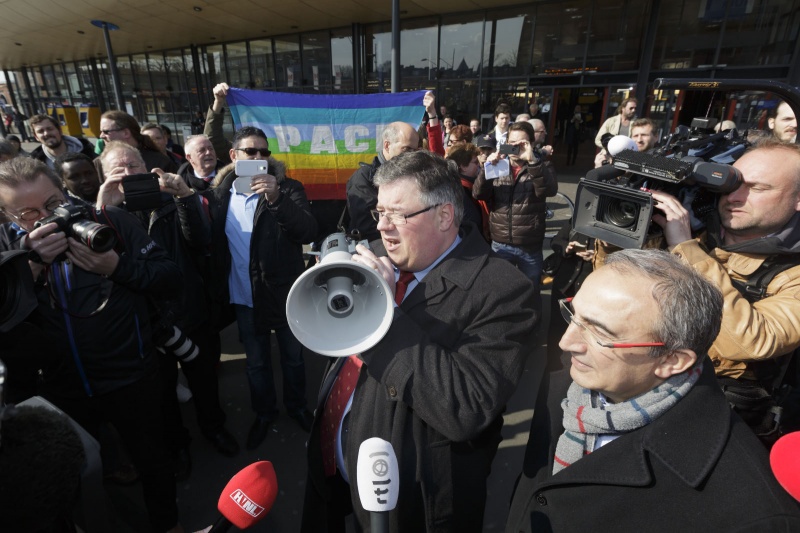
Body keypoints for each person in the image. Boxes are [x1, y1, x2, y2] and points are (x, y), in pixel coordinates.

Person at [301, 150, 539, 532]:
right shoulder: (377, 256)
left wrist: (380, 319)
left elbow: (466, 407)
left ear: (445, 216)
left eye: (399, 214)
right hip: (334, 474)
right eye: (380, 212)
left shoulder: (504, 291)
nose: (382, 227)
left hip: (411, 501)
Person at [505, 249, 800, 533]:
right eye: (573, 314)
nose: (566, 343)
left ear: (672, 360)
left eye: (600, 333)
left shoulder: (750, 511)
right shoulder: (569, 382)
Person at [0, 157, 184, 533]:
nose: (46, 218)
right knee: (72, 471)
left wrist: (118, 269)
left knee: (153, 461)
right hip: (59, 389)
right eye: (28, 213)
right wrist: (28, 269)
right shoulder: (8, 248)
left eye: (52, 204)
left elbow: (171, 278)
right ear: (7, 216)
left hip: (130, 376)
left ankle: (168, 525)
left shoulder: (112, 222)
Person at [97, 141, 240, 466]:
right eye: (118, 170)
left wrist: (185, 197)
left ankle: (214, 428)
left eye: (133, 167)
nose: (127, 175)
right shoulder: (102, 214)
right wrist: (103, 211)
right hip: (143, 323)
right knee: (161, 392)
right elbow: (99, 265)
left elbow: (201, 240)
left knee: (204, 379)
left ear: (146, 169)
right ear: (104, 178)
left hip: (188, 309)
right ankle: (178, 445)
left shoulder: (169, 201)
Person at [649, 138, 800, 437]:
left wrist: (683, 248)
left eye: (757, 188)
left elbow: (749, 342)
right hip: (649, 388)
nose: (735, 197)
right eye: (732, 185)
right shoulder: (694, 231)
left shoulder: (792, 272)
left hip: (725, 422)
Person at [207, 125, 318, 449]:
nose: (258, 158)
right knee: (255, 362)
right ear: (234, 156)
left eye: (263, 153)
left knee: (293, 359)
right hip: (243, 294)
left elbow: (307, 230)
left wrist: (276, 198)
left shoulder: (287, 187)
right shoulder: (220, 194)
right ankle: (264, 414)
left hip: (283, 294)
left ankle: (297, 408)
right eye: (250, 152)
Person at [473, 120, 558, 311]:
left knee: (531, 291)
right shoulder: (498, 164)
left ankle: (531, 328)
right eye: (511, 142)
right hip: (500, 242)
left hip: (529, 245)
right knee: (500, 291)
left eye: (521, 144)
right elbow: (479, 194)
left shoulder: (542, 166)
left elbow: (548, 190)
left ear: (531, 143)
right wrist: (487, 169)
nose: (515, 148)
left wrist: (533, 161)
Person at [97, 110, 177, 181]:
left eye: (106, 132)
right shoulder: (99, 162)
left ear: (126, 133)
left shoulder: (160, 161)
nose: (101, 136)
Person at [28, 114, 96, 169]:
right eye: (40, 131)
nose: (46, 133)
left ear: (60, 130)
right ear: (36, 137)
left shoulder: (88, 150)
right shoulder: (35, 162)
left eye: (50, 129)